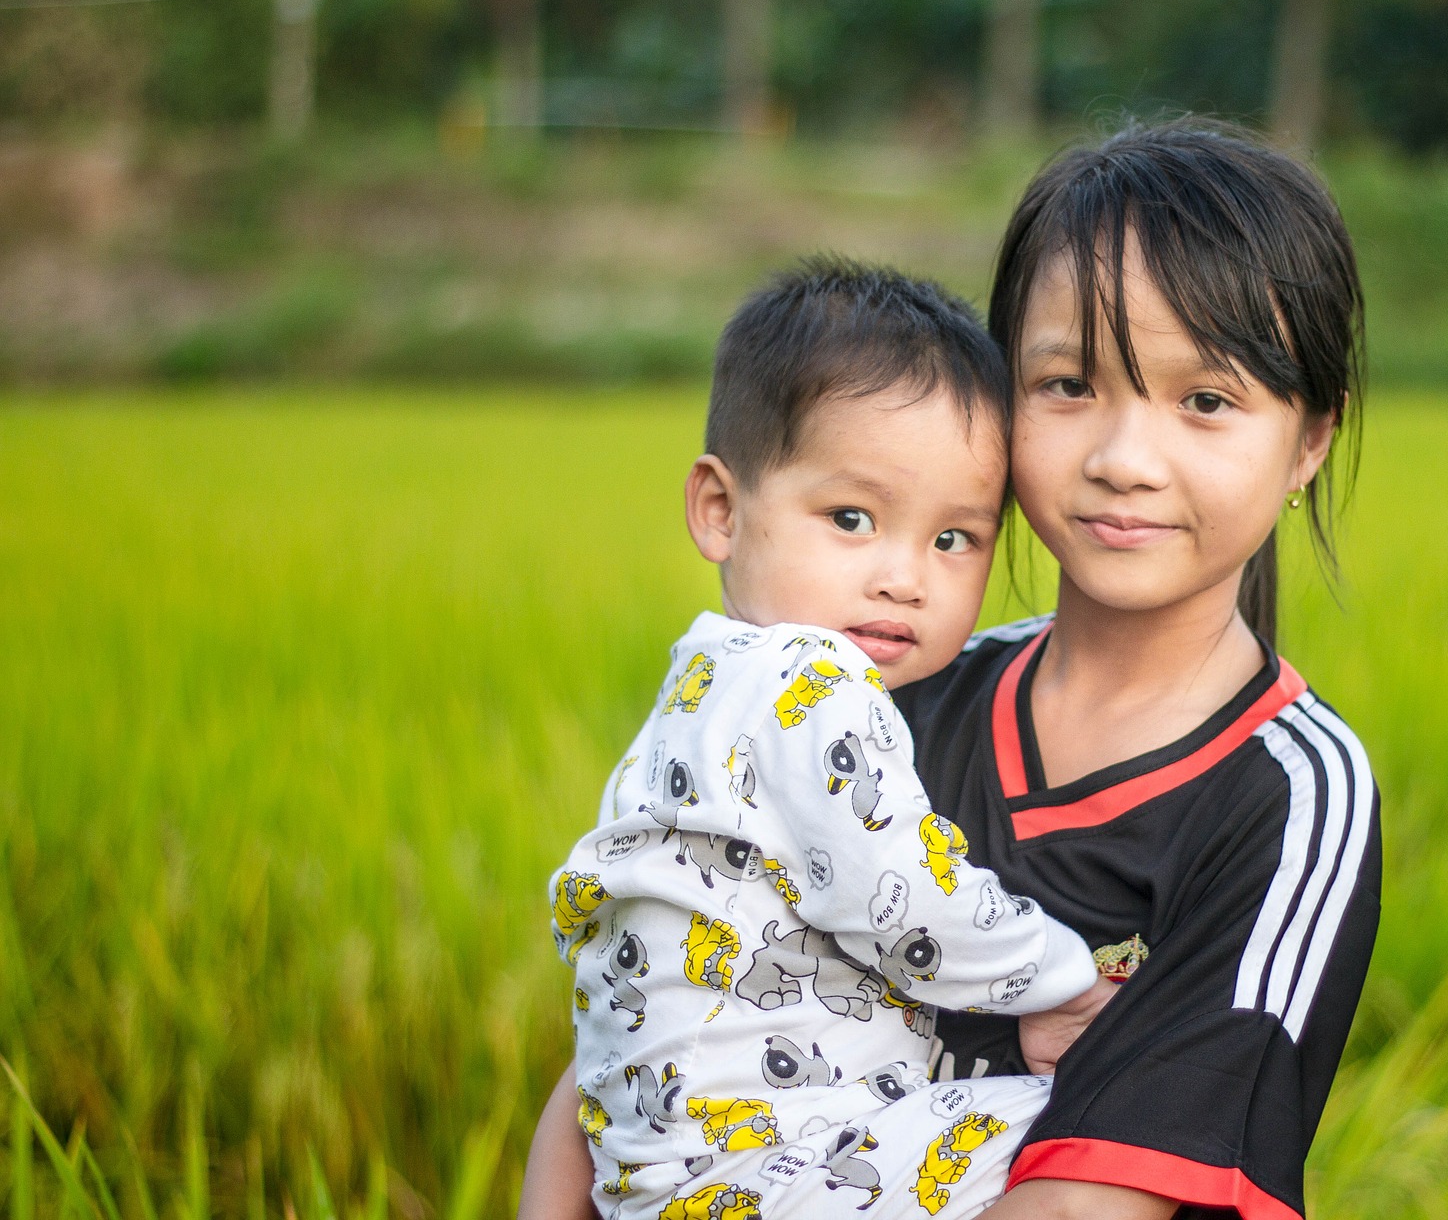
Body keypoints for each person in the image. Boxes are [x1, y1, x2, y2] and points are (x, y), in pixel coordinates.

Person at [525, 119, 1381, 1220]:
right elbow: (658, 1018)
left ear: (1309, 440)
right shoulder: (871, 694)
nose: (1124, 458)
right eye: (1068, 383)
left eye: (1205, 400)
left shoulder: (1286, 794)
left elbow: (1089, 1202)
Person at [532, 257, 1111, 1220]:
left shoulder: (708, 678)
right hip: (766, 1170)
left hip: (658, 1172)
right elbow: (907, 900)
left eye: (955, 539)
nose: (904, 578)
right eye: (852, 518)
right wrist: (1065, 983)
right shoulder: (813, 679)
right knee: (1100, 1127)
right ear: (720, 510)